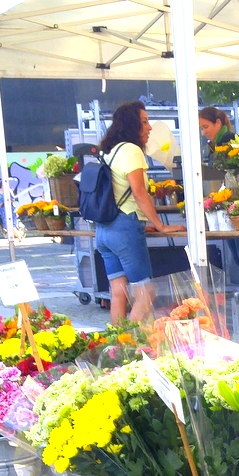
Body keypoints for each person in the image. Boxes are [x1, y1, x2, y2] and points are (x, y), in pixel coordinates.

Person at [96, 101, 173, 325]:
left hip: (104, 230)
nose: (149, 127)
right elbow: (139, 192)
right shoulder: (131, 150)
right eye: (145, 122)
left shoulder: (109, 150)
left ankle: (115, 342)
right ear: (132, 124)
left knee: (118, 293)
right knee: (146, 292)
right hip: (124, 229)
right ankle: (130, 340)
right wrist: (160, 225)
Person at [198, 106, 239, 296]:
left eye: (206, 127)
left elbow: (229, 173)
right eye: (202, 128)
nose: (204, 132)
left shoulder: (229, 141)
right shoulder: (216, 144)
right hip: (230, 206)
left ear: (218, 123)